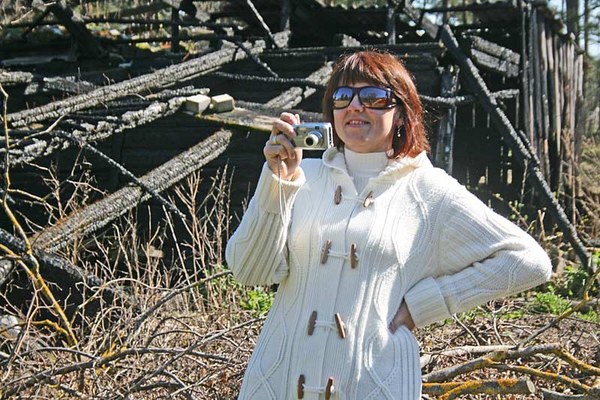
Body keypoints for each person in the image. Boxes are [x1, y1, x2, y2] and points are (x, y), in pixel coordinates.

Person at [225, 50, 552, 399]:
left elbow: (529, 261)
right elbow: (249, 271)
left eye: (373, 97)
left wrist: (426, 303)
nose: (355, 106)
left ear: (401, 113)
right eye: (342, 96)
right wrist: (277, 182)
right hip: (279, 383)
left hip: (373, 385)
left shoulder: (428, 190)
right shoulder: (301, 177)